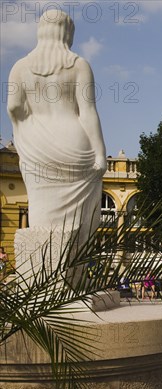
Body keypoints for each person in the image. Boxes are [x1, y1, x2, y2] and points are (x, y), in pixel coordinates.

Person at [7, 10, 107, 240]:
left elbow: (13, 107)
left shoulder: (19, 67)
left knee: (42, 220)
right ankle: (73, 266)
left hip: (38, 146)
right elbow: (88, 112)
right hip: (74, 143)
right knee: (78, 226)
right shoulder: (79, 65)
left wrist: (27, 128)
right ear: (67, 32)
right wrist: (100, 154)